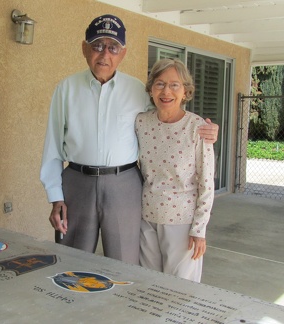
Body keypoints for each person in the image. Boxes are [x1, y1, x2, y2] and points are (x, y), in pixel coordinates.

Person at [40, 14, 218, 265]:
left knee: (125, 263)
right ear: (84, 48)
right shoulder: (66, 89)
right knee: (71, 260)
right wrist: (55, 197)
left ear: (123, 53)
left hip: (124, 184)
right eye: (97, 45)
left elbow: (168, 114)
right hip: (77, 185)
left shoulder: (138, 90)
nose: (104, 54)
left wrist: (205, 128)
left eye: (113, 47)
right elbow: (53, 148)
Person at [135, 58, 215, 282]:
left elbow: (207, 183)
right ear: (151, 89)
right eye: (159, 84)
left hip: (182, 222)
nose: (166, 91)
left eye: (174, 85)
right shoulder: (141, 122)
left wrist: (199, 230)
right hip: (146, 218)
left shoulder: (198, 128)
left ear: (185, 91)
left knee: (180, 290)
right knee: (149, 285)